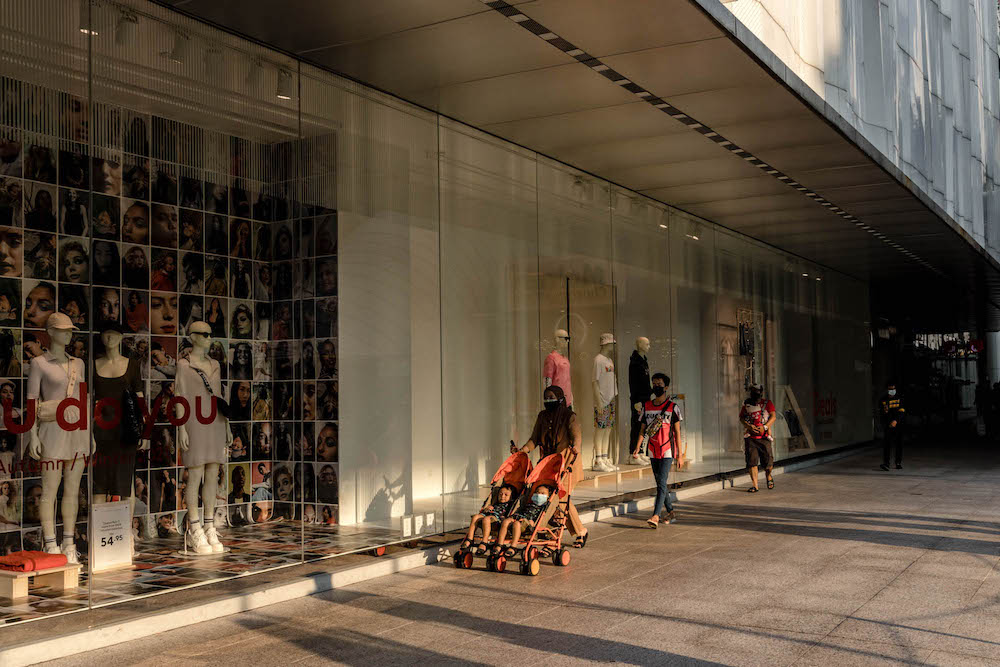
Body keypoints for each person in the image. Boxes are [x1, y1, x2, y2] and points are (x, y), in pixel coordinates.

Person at [512, 385, 588, 547]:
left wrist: (575, 448)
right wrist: (522, 451)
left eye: (552, 397)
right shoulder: (542, 416)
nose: (548, 400)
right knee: (553, 499)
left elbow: (577, 437)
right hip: (548, 464)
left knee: (560, 498)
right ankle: (556, 534)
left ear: (560, 398)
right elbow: (534, 439)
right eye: (546, 397)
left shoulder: (569, 416)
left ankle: (571, 532)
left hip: (567, 462)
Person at [637, 373, 682, 527]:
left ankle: (655, 515)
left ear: (666, 387)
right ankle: (670, 511)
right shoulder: (646, 406)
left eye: (659, 384)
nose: (656, 386)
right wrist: (637, 448)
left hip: (667, 450)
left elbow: (677, 433)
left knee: (662, 482)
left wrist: (680, 455)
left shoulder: (672, 408)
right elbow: (642, 430)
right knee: (660, 483)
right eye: (654, 383)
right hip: (652, 450)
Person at [494, 483, 554, 557]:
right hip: (519, 517)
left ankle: (513, 546)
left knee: (516, 524)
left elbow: (542, 519)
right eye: (537, 492)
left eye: (542, 493)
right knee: (506, 521)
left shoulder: (544, 508)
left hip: (527, 522)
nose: (538, 495)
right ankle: (500, 544)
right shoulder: (529, 504)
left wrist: (533, 522)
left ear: (548, 497)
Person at [461, 484, 516, 555]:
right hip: (489, 515)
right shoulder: (495, 503)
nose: (502, 496)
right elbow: (487, 510)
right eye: (500, 494)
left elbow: (510, 515)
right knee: (475, 517)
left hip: (498, 519)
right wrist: (487, 509)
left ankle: (484, 542)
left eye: (506, 495)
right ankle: (469, 539)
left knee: (486, 519)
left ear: (511, 497)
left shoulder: (510, 505)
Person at [740, 383, 776, 492]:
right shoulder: (746, 404)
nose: (754, 394)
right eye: (752, 391)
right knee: (752, 462)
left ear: (761, 392)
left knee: (768, 463)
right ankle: (755, 485)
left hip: (764, 437)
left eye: (756, 391)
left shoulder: (767, 403)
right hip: (751, 437)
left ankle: (768, 476)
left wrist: (765, 427)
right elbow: (741, 417)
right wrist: (749, 426)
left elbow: (773, 416)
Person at [879, 381, 905, 471]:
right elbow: (881, 413)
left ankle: (898, 462)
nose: (892, 390)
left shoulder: (900, 398)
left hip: (898, 425)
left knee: (899, 444)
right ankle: (886, 463)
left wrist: (896, 421)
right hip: (888, 425)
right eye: (890, 389)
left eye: (893, 389)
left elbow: (902, 412)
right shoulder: (883, 400)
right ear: (887, 390)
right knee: (887, 444)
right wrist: (885, 422)